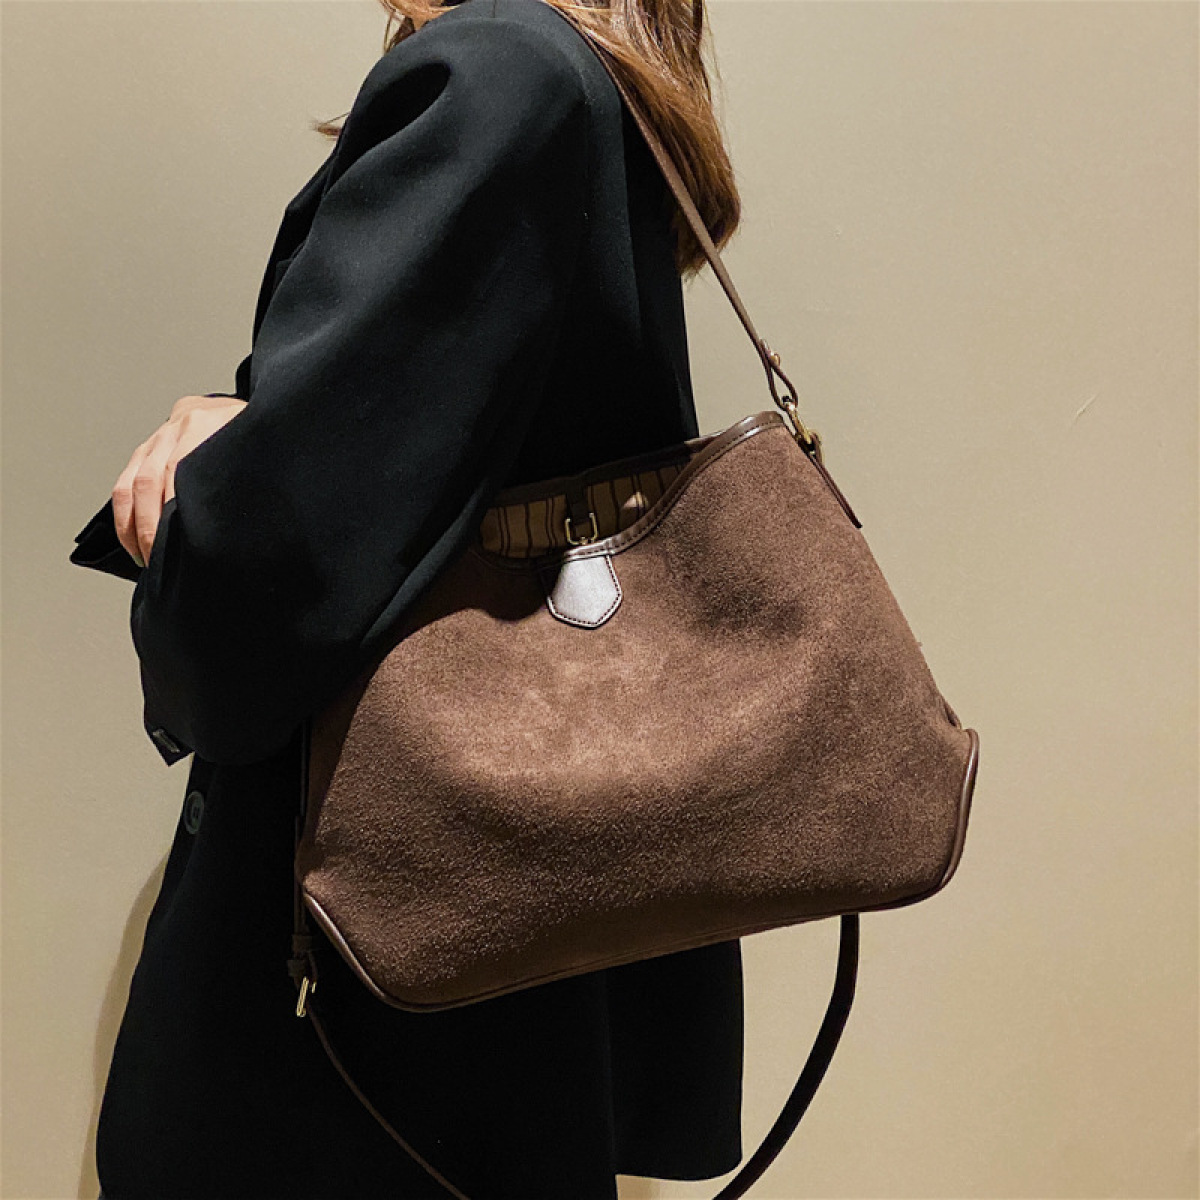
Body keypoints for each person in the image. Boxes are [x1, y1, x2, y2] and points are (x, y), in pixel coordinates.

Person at [70, 0, 748, 1194]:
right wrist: (254, 422)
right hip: (506, 934)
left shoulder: (497, 72)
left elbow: (282, 555)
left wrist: (195, 513)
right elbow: (458, 445)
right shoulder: (595, 84)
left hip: (372, 985)